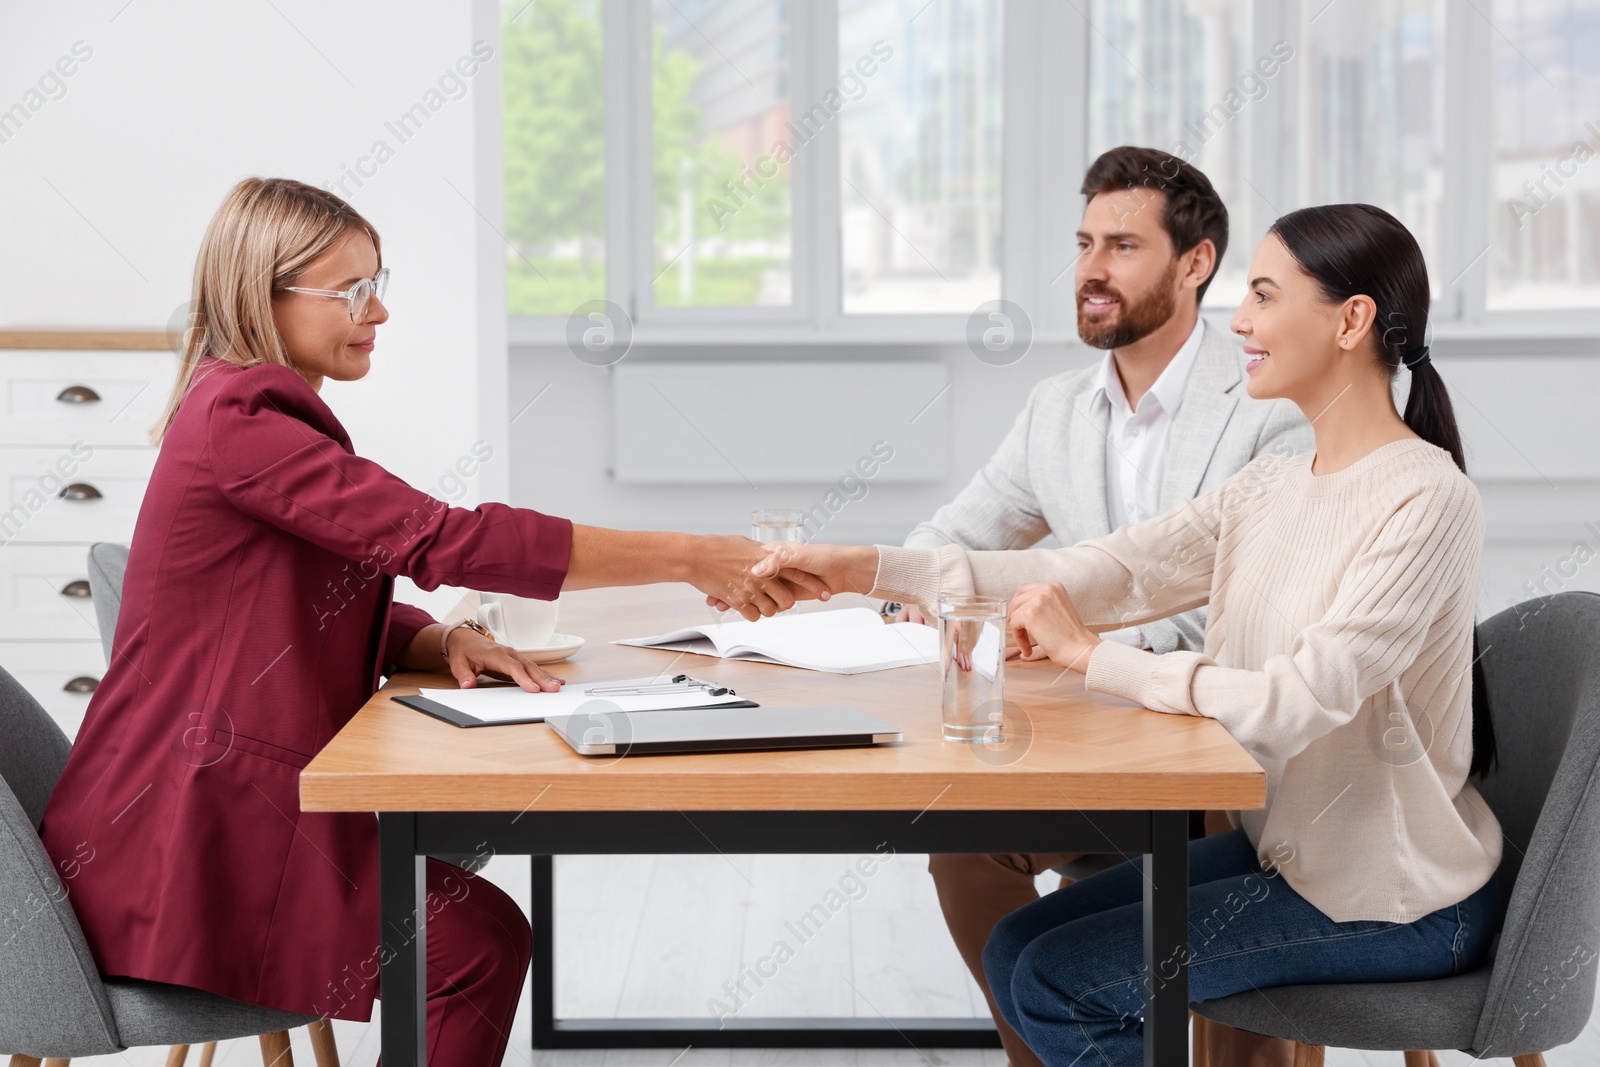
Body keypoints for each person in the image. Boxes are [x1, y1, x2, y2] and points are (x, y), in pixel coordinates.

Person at [37, 178, 813, 1065]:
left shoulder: (242, 410)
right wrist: (687, 555)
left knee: (471, 929)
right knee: (476, 944)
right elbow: (445, 539)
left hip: (191, 816)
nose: (382, 311)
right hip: (186, 848)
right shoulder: (244, 420)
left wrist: (435, 638)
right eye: (354, 291)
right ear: (266, 293)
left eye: (379, 282)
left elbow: (301, 587)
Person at [754, 203, 1503, 1067]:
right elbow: (1103, 571)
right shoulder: (1268, 486)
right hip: (1291, 861)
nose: (1241, 321)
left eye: (1263, 294)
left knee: (1059, 981)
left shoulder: (1427, 498)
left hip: (1395, 900)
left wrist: (1089, 656)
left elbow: (1298, 702)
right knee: (1015, 954)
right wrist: (858, 568)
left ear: (1352, 319)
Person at [902, 145, 1310, 1067]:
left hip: (1227, 757)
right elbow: (961, 535)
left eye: (1123, 245)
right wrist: (881, 590)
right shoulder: (1057, 408)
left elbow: (1252, 622)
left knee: (1231, 848)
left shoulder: (1267, 405)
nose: (1091, 269)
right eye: (1085, 243)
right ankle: (1062, 1053)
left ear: (1195, 262)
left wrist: (1074, 638)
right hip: (1107, 747)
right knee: (965, 846)